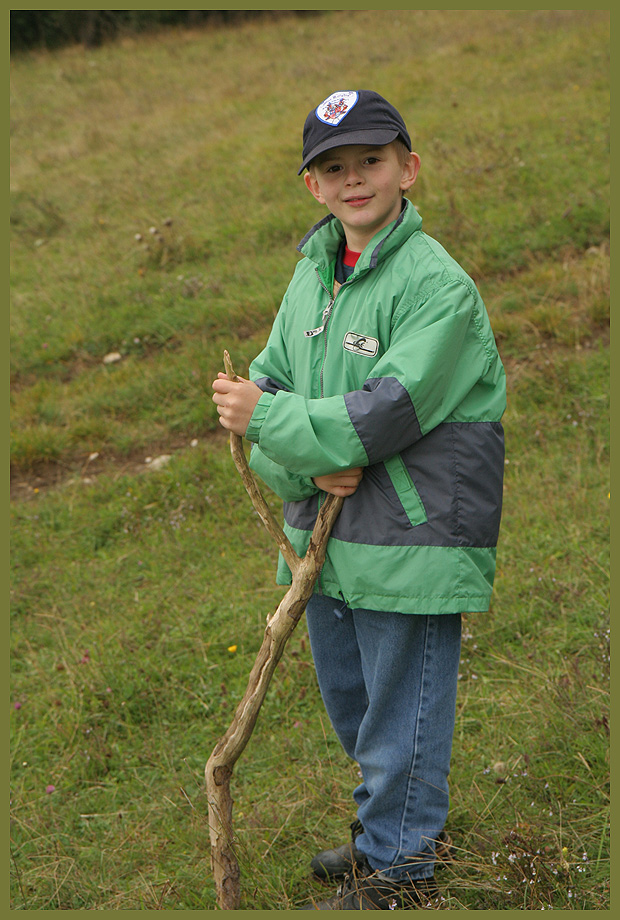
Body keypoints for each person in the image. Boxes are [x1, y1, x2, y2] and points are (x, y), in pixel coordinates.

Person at [212, 89, 506, 910]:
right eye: (332, 168)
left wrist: (277, 422)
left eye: (371, 161)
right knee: (353, 700)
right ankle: (391, 826)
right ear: (312, 186)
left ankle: (399, 869)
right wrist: (304, 465)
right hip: (325, 534)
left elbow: (385, 412)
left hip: (412, 533)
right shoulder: (310, 277)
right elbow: (262, 390)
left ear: (409, 169)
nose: (354, 180)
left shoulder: (435, 286)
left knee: (401, 706)